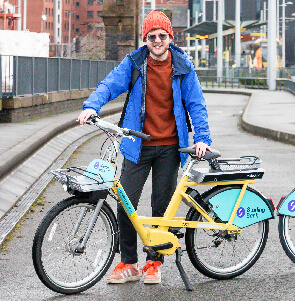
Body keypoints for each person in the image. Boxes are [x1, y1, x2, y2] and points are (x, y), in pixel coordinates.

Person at [77, 10, 212, 284]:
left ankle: (153, 262)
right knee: (126, 203)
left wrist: (202, 138)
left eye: (162, 35)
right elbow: (109, 85)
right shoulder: (134, 62)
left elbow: (196, 105)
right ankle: (128, 263)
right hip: (137, 144)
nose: (157, 41)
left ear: (170, 37)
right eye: (152, 36)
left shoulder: (183, 66)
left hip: (170, 147)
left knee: (161, 206)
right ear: (145, 39)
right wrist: (91, 106)